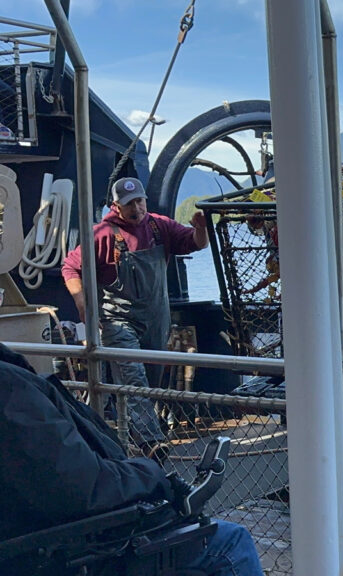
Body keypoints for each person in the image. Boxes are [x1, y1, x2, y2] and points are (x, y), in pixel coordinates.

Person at [0, 344, 262, 575]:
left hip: (41, 541)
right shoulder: (9, 388)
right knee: (230, 543)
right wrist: (152, 474)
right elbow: (82, 487)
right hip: (68, 553)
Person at [62, 177, 209, 461]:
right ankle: (152, 444)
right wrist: (82, 303)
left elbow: (195, 243)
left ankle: (116, 438)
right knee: (133, 377)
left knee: (148, 383)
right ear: (116, 205)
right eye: (129, 203)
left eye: (140, 200)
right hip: (118, 321)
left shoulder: (159, 225)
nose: (137, 208)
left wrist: (201, 228)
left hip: (155, 319)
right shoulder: (102, 233)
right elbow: (70, 267)